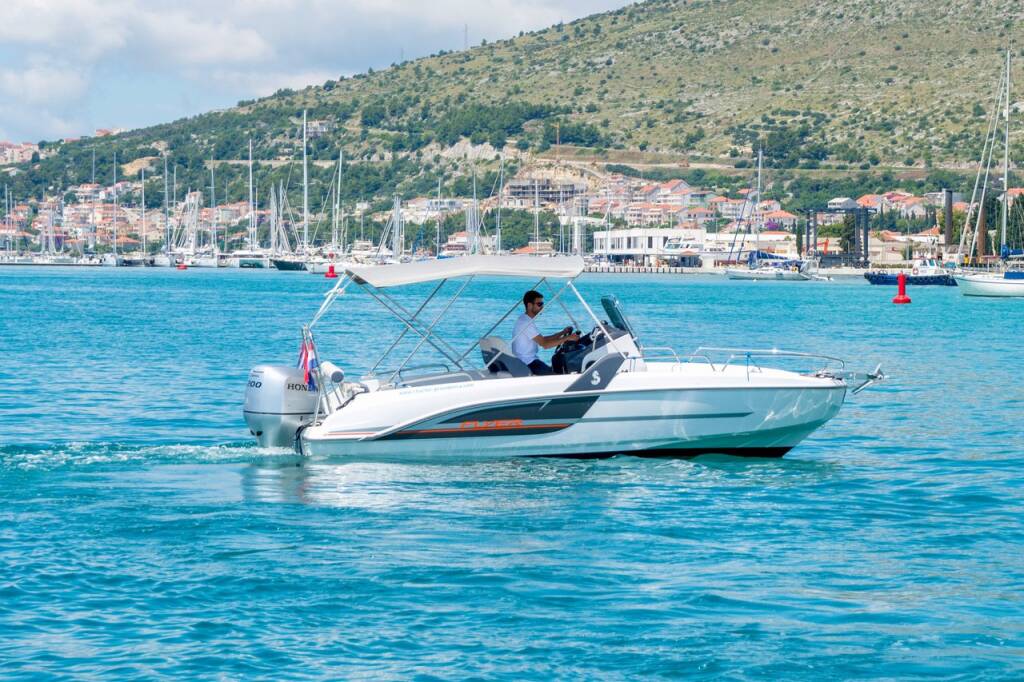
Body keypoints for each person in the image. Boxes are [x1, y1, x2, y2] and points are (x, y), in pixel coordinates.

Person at [512, 290, 578, 376]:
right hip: (528, 363)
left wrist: (563, 333)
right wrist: (567, 338)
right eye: (539, 304)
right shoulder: (526, 323)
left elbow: (542, 340)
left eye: (542, 304)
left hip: (527, 361)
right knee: (556, 378)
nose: (542, 307)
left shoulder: (525, 319)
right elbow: (545, 345)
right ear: (529, 305)